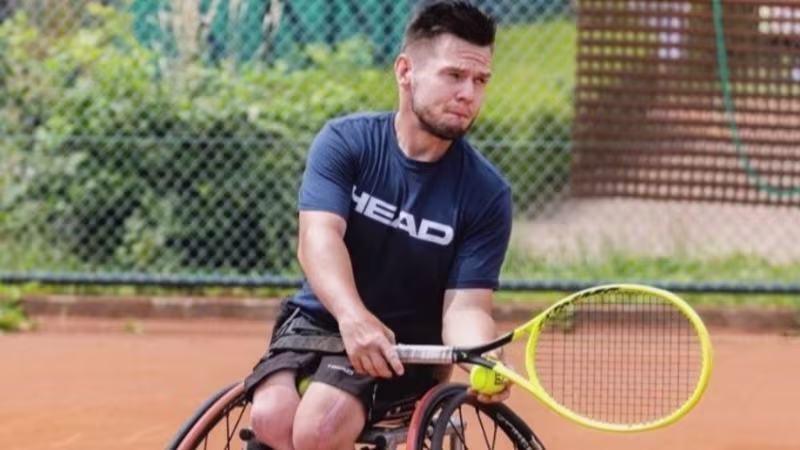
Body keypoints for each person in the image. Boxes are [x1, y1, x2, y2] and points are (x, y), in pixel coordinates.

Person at [243, 1, 513, 449]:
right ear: (405, 72)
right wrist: (353, 317)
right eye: (454, 76)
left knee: (319, 428)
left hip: (405, 353)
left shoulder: (487, 194)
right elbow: (317, 237)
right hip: (320, 322)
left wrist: (483, 356)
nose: (469, 93)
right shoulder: (345, 142)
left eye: (480, 80)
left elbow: (466, 308)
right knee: (272, 418)